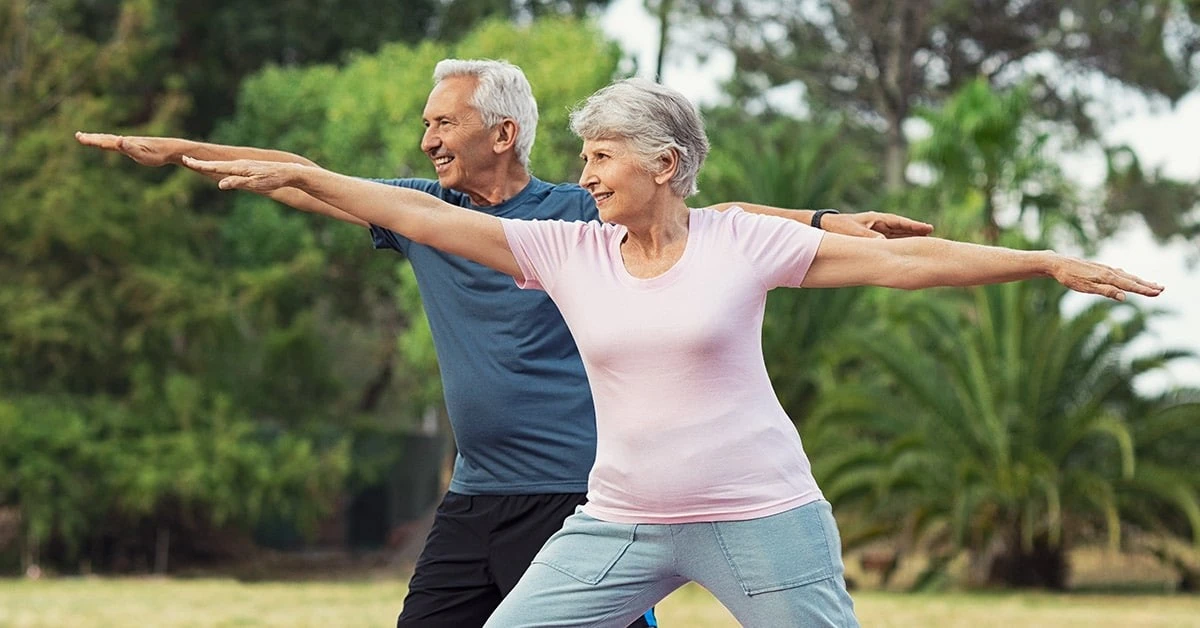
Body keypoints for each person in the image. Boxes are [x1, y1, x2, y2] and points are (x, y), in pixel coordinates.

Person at [177, 76, 1163, 626]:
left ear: (665, 164)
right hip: (622, 522)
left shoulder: (742, 241)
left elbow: (907, 264)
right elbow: (421, 216)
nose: (585, 175)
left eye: (602, 156)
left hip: (761, 517)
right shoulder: (566, 251)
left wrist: (1042, 262)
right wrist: (301, 175)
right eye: (583, 157)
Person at [77, 60, 933, 628]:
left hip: (576, 495)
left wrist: (825, 221)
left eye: (444, 123)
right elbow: (302, 174)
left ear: (502, 133)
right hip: (476, 491)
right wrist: (180, 152)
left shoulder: (578, 215)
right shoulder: (425, 215)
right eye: (425, 125)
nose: (428, 140)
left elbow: (712, 219)